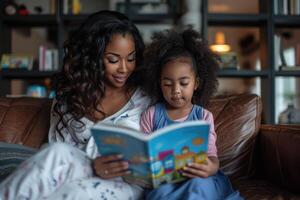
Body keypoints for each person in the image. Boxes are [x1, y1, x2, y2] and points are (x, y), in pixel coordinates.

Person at [0, 10, 151, 200]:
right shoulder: (71, 97)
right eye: (113, 59)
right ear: (92, 58)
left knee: (77, 192)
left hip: (125, 183)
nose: (124, 68)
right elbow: (61, 154)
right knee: (56, 151)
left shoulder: (146, 98)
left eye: (131, 59)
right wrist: (94, 166)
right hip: (81, 169)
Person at [140, 29, 243, 200]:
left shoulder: (203, 116)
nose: (176, 91)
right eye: (167, 83)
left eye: (184, 83)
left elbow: (212, 156)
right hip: (166, 181)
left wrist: (211, 168)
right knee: (159, 194)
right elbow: (143, 157)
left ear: (196, 83)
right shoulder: (151, 115)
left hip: (198, 178)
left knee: (199, 185)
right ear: (159, 84)